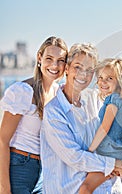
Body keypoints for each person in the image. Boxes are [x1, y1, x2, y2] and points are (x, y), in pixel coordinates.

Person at [40, 43, 122, 193]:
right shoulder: (54, 112)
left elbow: (111, 133)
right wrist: (112, 164)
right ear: (67, 69)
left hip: (108, 188)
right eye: (78, 67)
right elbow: (75, 157)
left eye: (89, 70)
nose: (83, 75)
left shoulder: (94, 99)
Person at [0, 36, 68, 194]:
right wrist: (4, 188)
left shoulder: (59, 93)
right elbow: (2, 140)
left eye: (61, 60)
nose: (54, 65)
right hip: (19, 167)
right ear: (39, 58)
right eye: (49, 58)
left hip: (46, 171)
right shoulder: (22, 91)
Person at [78, 58, 122, 194]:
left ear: (119, 81)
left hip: (109, 151)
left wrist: (89, 151)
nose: (103, 82)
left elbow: (104, 127)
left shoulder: (113, 101)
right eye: (100, 78)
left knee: (85, 188)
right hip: (114, 151)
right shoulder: (121, 102)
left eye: (109, 78)